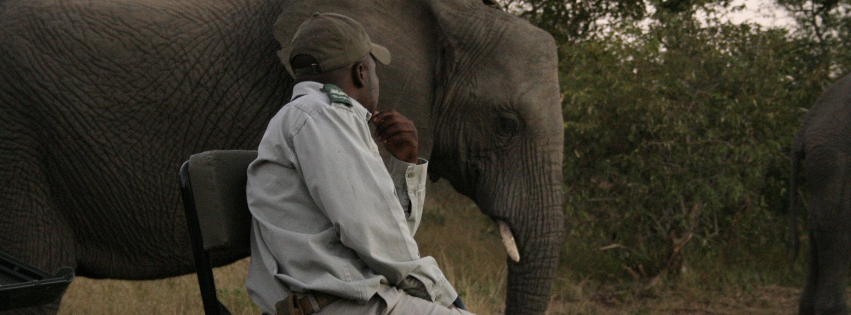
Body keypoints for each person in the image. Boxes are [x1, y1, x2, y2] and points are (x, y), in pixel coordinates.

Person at [245, 12, 473, 315]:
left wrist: (405, 163)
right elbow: (373, 234)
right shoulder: (322, 114)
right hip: (340, 305)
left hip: (357, 299)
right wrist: (441, 293)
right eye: (375, 70)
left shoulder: (315, 116)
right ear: (361, 73)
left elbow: (385, 230)